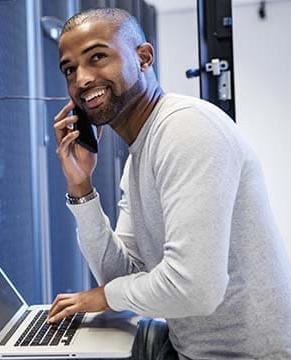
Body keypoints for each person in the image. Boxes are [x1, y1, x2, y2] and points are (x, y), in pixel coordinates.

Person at [48, 7, 291, 360]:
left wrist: (99, 297)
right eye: (70, 69)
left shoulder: (187, 130)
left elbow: (195, 289)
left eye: (97, 57)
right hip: (189, 349)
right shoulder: (139, 157)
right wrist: (81, 188)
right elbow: (123, 275)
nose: (81, 79)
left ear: (143, 57)